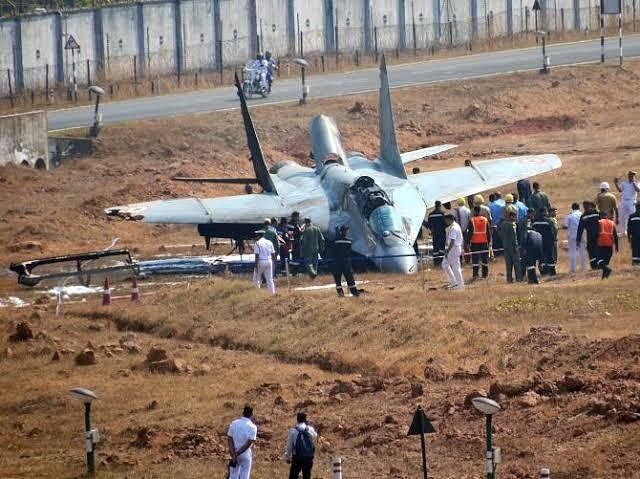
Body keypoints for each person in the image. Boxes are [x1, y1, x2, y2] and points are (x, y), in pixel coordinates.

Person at [227, 405, 258, 479]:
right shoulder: (253, 427)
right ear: (252, 414)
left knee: (233, 475)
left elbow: (230, 438)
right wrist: (237, 453)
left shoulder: (234, 423)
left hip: (234, 451)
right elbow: (248, 443)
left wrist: (233, 453)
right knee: (244, 475)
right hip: (245, 454)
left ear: (243, 412)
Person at [285, 412, 318, 479]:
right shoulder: (310, 429)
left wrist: (288, 457)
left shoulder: (293, 431)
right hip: (308, 457)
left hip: (297, 458)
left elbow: (289, 445)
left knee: (293, 476)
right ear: (305, 420)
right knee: (307, 476)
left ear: (297, 420)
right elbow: (315, 437)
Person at [330, 225, 359, 297]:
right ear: (346, 231)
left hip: (337, 262)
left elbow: (332, 249)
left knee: (337, 279)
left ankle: (340, 293)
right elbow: (349, 250)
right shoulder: (348, 241)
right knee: (350, 278)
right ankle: (354, 292)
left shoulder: (336, 240)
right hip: (346, 262)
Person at [467, 205, 491, 281]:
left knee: (475, 259)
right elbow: (488, 232)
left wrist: (467, 242)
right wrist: (489, 241)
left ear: (474, 211)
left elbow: (470, 232)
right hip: (484, 242)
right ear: (480, 211)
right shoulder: (485, 219)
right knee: (485, 259)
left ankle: (475, 274)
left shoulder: (472, 220)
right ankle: (485, 274)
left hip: (475, 242)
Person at [532, 207, 557, 275]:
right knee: (550, 256)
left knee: (541, 258)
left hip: (539, 242)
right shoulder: (549, 221)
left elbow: (533, 231)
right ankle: (552, 272)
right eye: (546, 212)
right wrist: (554, 239)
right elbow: (553, 231)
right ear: (544, 212)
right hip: (548, 241)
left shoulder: (535, 221)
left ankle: (543, 272)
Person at [563, 202, 586, 273]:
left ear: (572, 208)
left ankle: (572, 269)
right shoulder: (582, 215)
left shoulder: (569, 216)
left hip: (572, 235)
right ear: (579, 207)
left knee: (572, 253)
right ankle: (583, 268)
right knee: (582, 253)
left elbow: (565, 226)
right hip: (581, 235)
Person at [576, 201, 600, 270]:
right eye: (584, 207)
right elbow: (580, 229)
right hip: (590, 236)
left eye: (586, 206)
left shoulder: (597, 214)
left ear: (590, 206)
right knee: (591, 251)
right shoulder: (583, 216)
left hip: (598, 235)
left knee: (598, 250)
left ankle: (599, 265)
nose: (585, 208)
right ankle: (594, 267)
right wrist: (578, 240)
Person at [442, 214, 464, 289]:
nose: (445, 222)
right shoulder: (454, 226)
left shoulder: (454, 228)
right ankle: (454, 282)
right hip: (453, 248)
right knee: (445, 264)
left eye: (446, 220)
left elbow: (452, 241)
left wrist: (447, 250)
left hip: (453, 249)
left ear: (449, 219)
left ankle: (460, 285)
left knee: (456, 267)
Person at [614, 170, 640, 236]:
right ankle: (623, 232)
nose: (631, 176)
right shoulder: (624, 183)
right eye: (630, 175)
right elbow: (620, 190)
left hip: (632, 202)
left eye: (633, 175)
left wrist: (633, 183)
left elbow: (638, 190)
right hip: (624, 201)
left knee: (632, 217)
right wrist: (616, 183)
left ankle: (633, 231)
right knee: (621, 216)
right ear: (628, 176)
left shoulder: (637, 182)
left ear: (634, 176)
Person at [499, 210, 522, 282]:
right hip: (513, 247)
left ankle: (509, 279)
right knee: (517, 263)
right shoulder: (512, 225)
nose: (516, 218)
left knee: (508, 264)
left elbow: (500, 234)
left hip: (505, 246)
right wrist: (516, 247)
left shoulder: (503, 224)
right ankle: (518, 278)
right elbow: (514, 237)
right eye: (515, 216)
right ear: (511, 216)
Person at [253, 229, 276, 294]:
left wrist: (256, 266)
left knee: (256, 279)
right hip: (269, 261)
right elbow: (273, 254)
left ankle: (257, 293)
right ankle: (272, 293)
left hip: (261, 261)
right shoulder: (269, 242)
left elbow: (257, 256)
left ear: (258, 236)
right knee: (269, 279)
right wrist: (273, 263)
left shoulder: (257, 243)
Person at [596, 211, 619, 278]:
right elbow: (615, 236)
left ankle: (608, 270)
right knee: (605, 263)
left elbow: (596, 234)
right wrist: (616, 246)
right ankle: (604, 278)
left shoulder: (599, 222)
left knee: (598, 261)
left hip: (601, 244)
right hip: (609, 245)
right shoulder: (612, 223)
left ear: (600, 215)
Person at [426, 201, 446, 266]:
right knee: (441, 248)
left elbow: (429, 225)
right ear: (440, 205)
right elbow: (445, 223)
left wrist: (432, 230)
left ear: (435, 205)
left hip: (434, 234)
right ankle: (441, 261)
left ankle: (436, 262)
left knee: (435, 248)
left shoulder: (431, 214)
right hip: (441, 233)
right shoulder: (441, 214)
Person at [453, 197, 471, 262]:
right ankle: (467, 260)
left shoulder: (455, 211)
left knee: (458, 245)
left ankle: (459, 260)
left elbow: (453, 221)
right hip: (466, 230)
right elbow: (470, 221)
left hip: (457, 231)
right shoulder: (467, 210)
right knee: (466, 246)